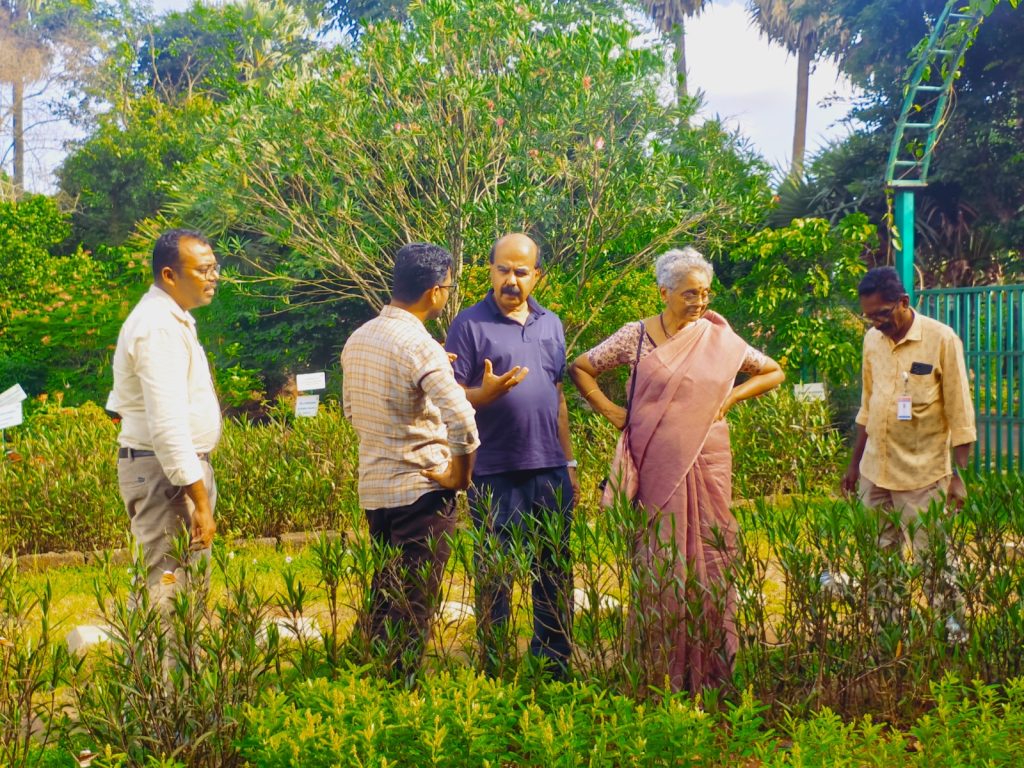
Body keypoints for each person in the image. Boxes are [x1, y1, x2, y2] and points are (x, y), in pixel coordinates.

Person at [569, 247, 783, 693]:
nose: (699, 302)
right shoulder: (635, 336)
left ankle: (712, 673)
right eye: (689, 293)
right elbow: (582, 368)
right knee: (660, 560)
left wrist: (731, 397)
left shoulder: (718, 338)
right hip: (655, 464)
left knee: (711, 556)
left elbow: (772, 372)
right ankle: (658, 673)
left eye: (704, 293)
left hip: (708, 458)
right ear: (664, 292)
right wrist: (610, 410)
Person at [342, 242, 479, 680]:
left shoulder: (359, 338)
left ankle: (368, 681)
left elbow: (351, 412)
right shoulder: (421, 346)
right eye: (448, 287)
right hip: (422, 490)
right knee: (415, 601)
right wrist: (459, 475)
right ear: (435, 291)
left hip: (377, 491)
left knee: (386, 593)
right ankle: (398, 687)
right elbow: (463, 420)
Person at [445, 233, 577, 678]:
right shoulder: (468, 324)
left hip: (550, 469)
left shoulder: (551, 323)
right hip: (494, 470)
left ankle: (554, 662)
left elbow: (558, 396)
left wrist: (569, 462)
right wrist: (483, 394)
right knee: (495, 573)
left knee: (553, 568)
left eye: (521, 272)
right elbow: (450, 396)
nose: (511, 280)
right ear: (490, 271)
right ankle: (496, 662)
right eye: (503, 269)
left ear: (536, 275)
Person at [840, 266, 976, 637]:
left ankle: (954, 633)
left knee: (932, 558)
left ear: (903, 302)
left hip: (923, 474)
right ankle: (888, 632)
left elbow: (960, 413)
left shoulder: (941, 339)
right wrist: (854, 465)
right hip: (875, 471)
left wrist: (959, 477)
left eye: (882, 314)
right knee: (879, 554)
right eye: (869, 317)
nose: (876, 323)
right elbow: (867, 406)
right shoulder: (872, 340)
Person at [107, 229, 221, 614]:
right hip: (165, 475)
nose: (213, 277)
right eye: (203, 269)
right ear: (170, 275)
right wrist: (199, 500)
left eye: (214, 268)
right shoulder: (157, 326)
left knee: (185, 588)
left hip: (172, 473)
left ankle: (180, 658)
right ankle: (156, 660)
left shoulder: (172, 318)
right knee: (165, 589)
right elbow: (168, 426)